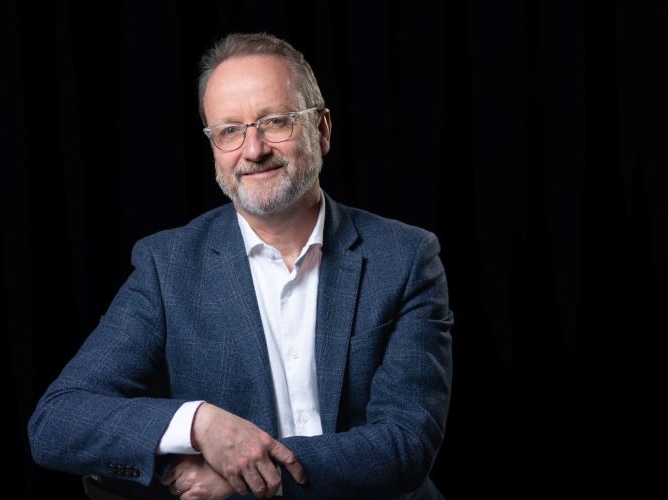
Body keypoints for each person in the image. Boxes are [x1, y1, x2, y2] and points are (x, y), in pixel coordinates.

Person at [28, 32, 453, 500]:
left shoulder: (406, 256)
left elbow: (406, 444)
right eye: (230, 130)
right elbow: (56, 421)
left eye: (274, 122)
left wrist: (243, 481)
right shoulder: (168, 266)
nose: (253, 150)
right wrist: (199, 424)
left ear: (322, 129)